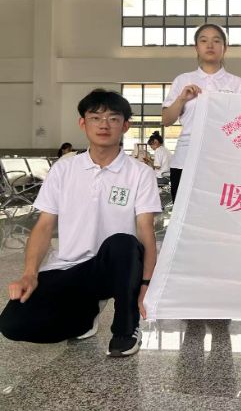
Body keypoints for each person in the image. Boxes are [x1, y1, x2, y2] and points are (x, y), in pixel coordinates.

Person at [0, 89, 161, 357]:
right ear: (83, 123)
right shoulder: (64, 169)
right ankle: (84, 318)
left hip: (113, 267)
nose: (104, 125)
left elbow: (146, 232)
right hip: (68, 266)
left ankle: (126, 328)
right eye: (95, 117)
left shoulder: (139, 173)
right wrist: (29, 273)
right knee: (13, 325)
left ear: (125, 126)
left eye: (113, 118)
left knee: (123, 242)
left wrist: (146, 285)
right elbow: (44, 226)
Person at [162, 23, 241, 201]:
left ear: (225, 48)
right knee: (184, 212)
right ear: (196, 47)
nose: (210, 45)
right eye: (204, 41)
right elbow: (166, 120)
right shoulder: (183, 80)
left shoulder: (238, 84)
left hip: (223, 161)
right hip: (186, 160)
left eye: (216, 41)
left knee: (221, 213)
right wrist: (182, 99)